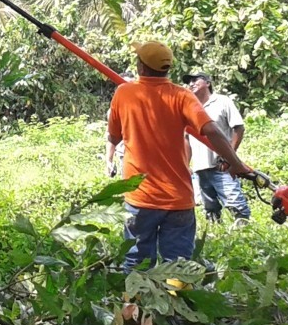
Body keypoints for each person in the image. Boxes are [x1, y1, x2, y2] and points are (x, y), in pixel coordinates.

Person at [107, 41, 254, 270]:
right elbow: (212, 130)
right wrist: (235, 163)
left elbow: (114, 137)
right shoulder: (182, 95)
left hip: (140, 198)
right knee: (178, 266)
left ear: (141, 67)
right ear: (167, 68)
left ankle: (137, 306)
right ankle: (176, 303)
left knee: (136, 263)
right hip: (178, 199)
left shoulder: (124, 93)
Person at [182, 72, 250, 224]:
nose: (191, 84)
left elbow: (238, 128)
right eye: (189, 82)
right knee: (210, 209)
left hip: (221, 166)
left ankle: (244, 233)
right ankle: (217, 237)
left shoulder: (222, 102)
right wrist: (186, 164)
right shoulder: (188, 107)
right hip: (200, 167)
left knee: (236, 205)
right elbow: (186, 138)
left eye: (195, 80)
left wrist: (229, 156)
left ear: (207, 82)